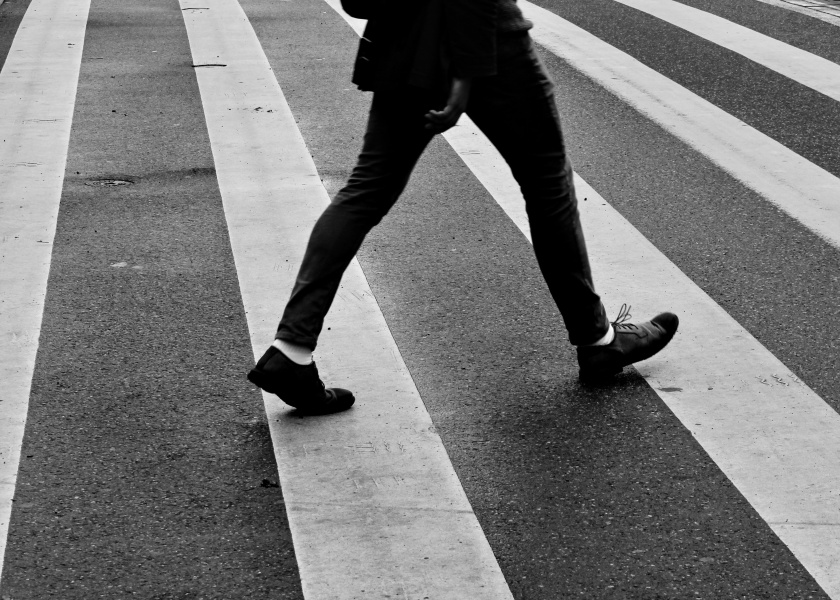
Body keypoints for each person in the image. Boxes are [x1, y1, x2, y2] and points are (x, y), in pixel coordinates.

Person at [247, 0, 678, 414]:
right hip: (483, 36)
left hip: (406, 37)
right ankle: (597, 342)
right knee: (548, 185)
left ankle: (292, 349)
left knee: (367, 189)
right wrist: (466, 69)